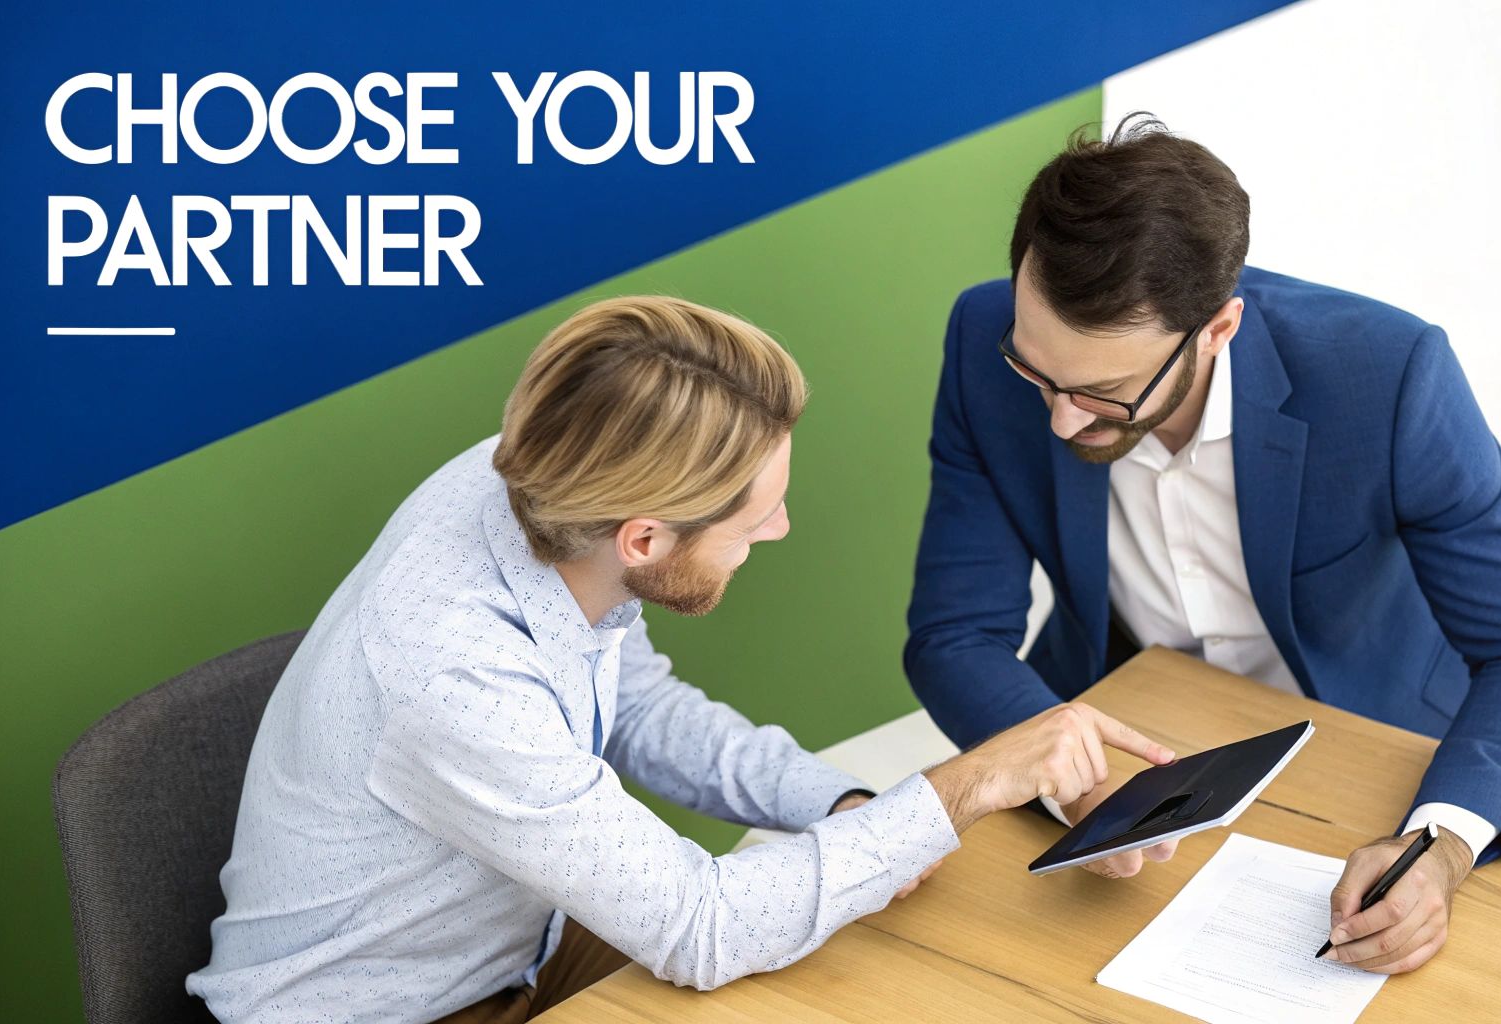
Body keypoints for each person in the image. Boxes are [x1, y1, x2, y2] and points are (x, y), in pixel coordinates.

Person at [188, 296, 1177, 1023]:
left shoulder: (547, 480)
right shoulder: (456, 677)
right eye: (753, 520)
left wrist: (838, 804)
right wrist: (967, 782)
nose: (779, 529)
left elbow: (636, 705)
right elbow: (702, 926)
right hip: (397, 1008)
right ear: (644, 540)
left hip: (515, 940)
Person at [904, 116, 1501, 975]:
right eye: (1038, 374)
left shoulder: (1390, 374)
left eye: (1105, 392)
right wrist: (1074, 775)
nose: (1062, 421)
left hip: (1369, 756)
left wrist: (1440, 845)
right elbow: (954, 635)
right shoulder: (983, 337)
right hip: (1128, 750)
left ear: (1219, 328)